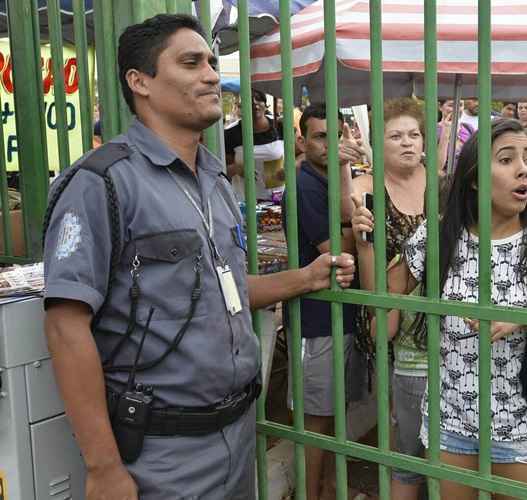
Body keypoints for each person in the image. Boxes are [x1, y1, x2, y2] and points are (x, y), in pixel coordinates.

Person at [42, 14, 356, 500]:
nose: (211, 74)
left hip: (236, 437)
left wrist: (307, 278)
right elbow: (66, 325)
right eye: (191, 63)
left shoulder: (213, 181)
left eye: (211, 61)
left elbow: (224, 290)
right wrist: (103, 466)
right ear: (139, 81)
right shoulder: (102, 182)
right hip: (162, 456)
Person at [353, 118, 527, 499]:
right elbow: (381, 312)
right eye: (506, 159)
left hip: (520, 421)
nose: (524, 169)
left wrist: (525, 320)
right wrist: (364, 246)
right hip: (450, 420)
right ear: (474, 178)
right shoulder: (436, 236)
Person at [281, 103, 365, 500]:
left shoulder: (335, 178)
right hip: (317, 318)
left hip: (342, 314)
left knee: (334, 415)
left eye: (337, 135)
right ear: (301, 141)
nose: (331, 145)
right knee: (316, 420)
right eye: (320, 136)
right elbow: (340, 252)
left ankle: (330, 490)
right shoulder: (305, 186)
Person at [350, 98, 428, 500]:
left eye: (414, 134)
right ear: (378, 144)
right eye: (395, 136)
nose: (407, 143)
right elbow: (370, 283)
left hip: (442, 322)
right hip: (392, 320)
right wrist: (361, 237)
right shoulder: (365, 189)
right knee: (405, 434)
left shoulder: (442, 183)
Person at [224, 88, 285, 201]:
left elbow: (303, 153)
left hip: (278, 200)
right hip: (245, 200)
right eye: (250, 99)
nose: (255, 103)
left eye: (259, 99)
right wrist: (237, 169)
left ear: (265, 104)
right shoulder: (231, 133)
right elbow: (223, 170)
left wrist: (289, 169)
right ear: (241, 106)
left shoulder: (280, 125)